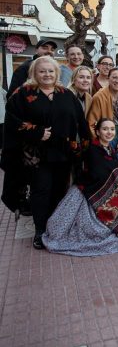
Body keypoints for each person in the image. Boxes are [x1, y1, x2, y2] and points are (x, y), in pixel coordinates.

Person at [42, 119, 118, 256]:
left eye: (112, 129)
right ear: (97, 132)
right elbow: (99, 175)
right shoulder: (92, 150)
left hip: (109, 188)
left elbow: (111, 172)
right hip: (91, 191)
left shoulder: (109, 149)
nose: (109, 132)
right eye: (105, 129)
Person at [3, 56, 89, 249]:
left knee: (59, 189)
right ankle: (40, 230)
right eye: (42, 71)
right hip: (36, 155)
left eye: (51, 71)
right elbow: (11, 120)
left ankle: (55, 226)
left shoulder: (66, 94)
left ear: (57, 73)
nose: (47, 74)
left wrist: (87, 147)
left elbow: (80, 122)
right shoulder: (23, 94)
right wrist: (36, 132)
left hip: (63, 153)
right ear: (35, 73)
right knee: (41, 190)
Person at [87, 68, 118, 168]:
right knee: (113, 163)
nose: (117, 81)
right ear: (108, 78)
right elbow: (91, 123)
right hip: (104, 134)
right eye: (114, 77)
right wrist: (101, 144)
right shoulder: (99, 96)